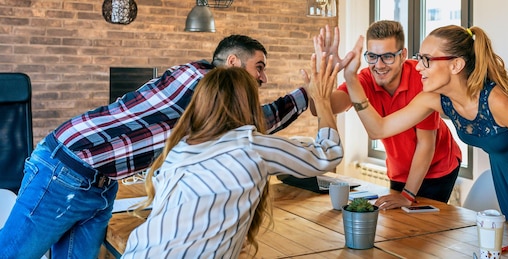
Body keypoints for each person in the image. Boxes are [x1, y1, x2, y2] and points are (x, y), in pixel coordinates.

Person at [0, 34, 322, 259]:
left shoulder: (205, 97)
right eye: (259, 67)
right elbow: (255, 120)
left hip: (100, 183)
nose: (262, 79)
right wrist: (308, 94)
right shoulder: (197, 80)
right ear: (234, 62)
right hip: (67, 168)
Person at [339, 25, 508, 249]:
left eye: (426, 60)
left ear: (456, 64)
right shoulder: (436, 100)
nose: (418, 66)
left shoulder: (499, 101)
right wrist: (351, 79)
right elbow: (379, 129)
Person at [122, 56, 343, 258]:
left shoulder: (180, 148)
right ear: (247, 103)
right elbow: (329, 153)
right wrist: (321, 100)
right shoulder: (250, 145)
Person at [311, 21, 461, 209]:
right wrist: (325, 73)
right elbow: (321, 107)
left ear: (403, 55)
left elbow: (426, 144)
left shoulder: (421, 79)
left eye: (388, 56)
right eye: (372, 56)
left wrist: (407, 194)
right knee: (397, 225)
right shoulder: (364, 80)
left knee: (426, 231)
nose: (379, 65)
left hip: (438, 168)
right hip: (400, 171)